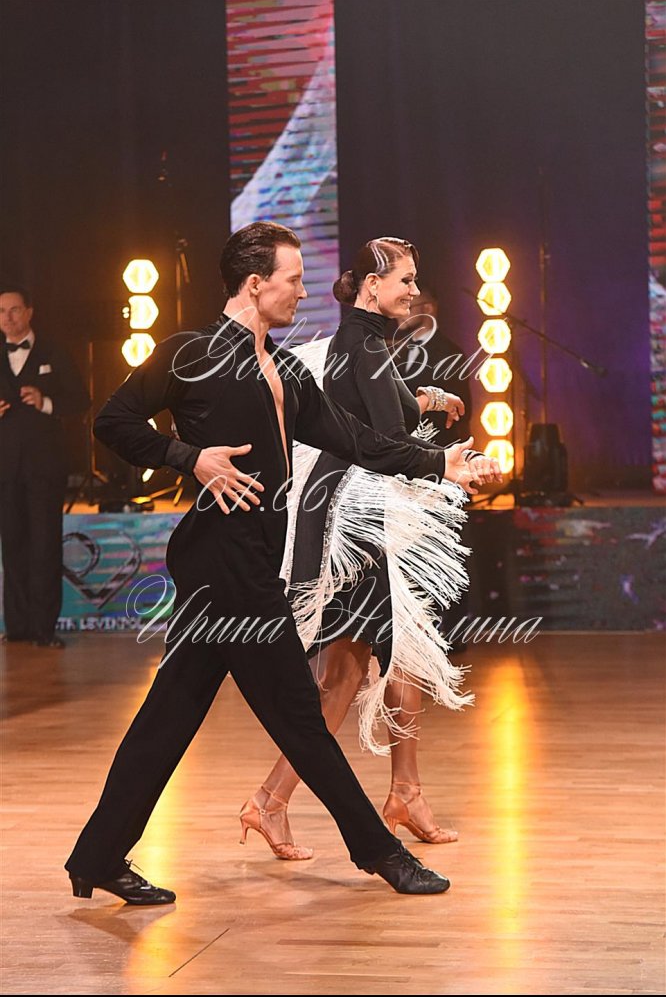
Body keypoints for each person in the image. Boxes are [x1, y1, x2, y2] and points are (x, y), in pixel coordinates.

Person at [64, 221, 501, 906]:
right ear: (254, 283)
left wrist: (438, 462)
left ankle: (96, 856)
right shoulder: (191, 353)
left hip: (250, 560)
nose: (303, 291)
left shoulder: (288, 370)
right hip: (222, 564)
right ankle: (381, 853)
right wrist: (189, 457)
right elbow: (112, 422)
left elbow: (355, 439)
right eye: (293, 280)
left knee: (167, 717)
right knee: (300, 714)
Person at [243, 238, 483, 861]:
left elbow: (380, 409)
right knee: (347, 672)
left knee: (394, 657)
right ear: (372, 286)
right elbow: (387, 440)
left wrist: (432, 399)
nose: (414, 291)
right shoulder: (365, 343)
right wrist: (451, 464)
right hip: (355, 517)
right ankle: (275, 799)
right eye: (406, 280)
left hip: (363, 508)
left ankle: (402, 792)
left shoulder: (366, 340)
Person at [0, 286, 90, 648]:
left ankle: (43, 629)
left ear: (29, 312)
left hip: (45, 467)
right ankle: (17, 627)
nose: (7, 317)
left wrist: (46, 401)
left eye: (14, 310)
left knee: (45, 546)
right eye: (1, 311)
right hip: (5, 469)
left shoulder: (54, 351)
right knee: (12, 547)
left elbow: (81, 399)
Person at [387, 286, 473, 446]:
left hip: (436, 447)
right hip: (401, 447)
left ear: (427, 308)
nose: (400, 313)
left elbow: (460, 411)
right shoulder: (397, 352)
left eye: (407, 306)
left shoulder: (450, 353)